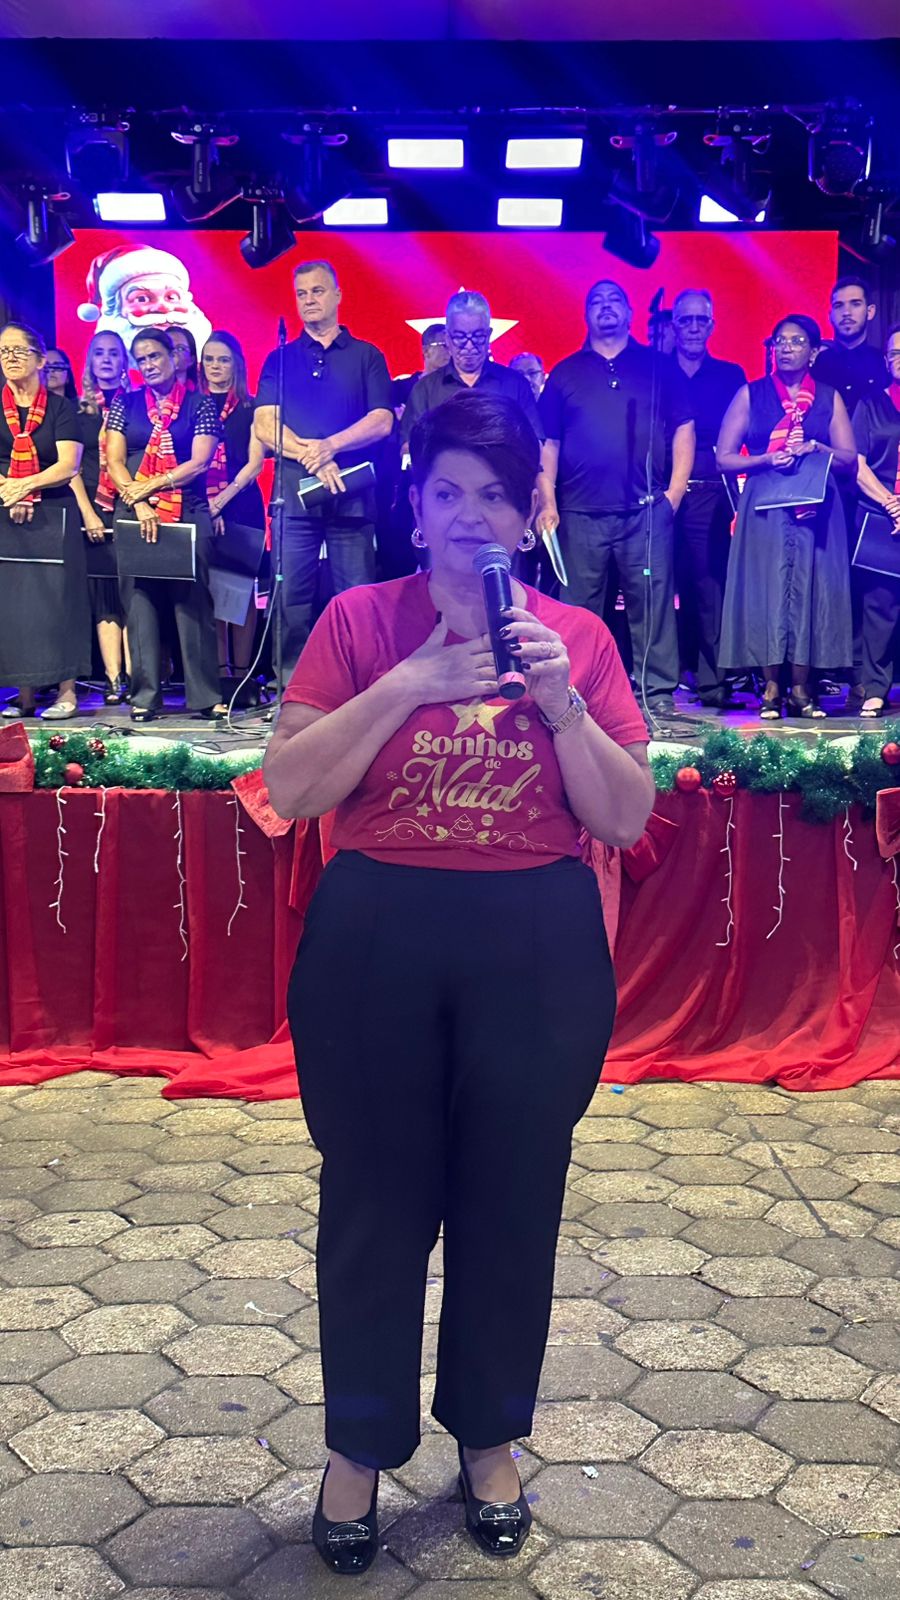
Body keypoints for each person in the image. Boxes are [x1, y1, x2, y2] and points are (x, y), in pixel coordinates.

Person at [263, 390, 654, 1577]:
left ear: (529, 512)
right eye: (445, 492)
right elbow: (293, 787)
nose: (468, 515)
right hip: (377, 935)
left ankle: (489, 1438)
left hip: (533, 944)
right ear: (416, 507)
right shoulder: (358, 621)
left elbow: (624, 816)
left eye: (493, 494)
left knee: (512, 1199)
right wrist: (411, 683)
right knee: (372, 1201)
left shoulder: (575, 640)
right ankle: (357, 1448)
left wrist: (561, 701)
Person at [538, 278, 695, 726]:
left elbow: (683, 428)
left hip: (645, 510)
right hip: (579, 511)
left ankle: (657, 693)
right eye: (596, 301)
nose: (606, 307)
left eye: (615, 300)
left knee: (653, 603)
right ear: (586, 313)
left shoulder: (657, 367)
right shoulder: (566, 372)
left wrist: (673, 494)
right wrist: (547, 502)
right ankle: (575, 688)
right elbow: (548, 443)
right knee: (578, 610)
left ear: (629, 312)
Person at [254, 259, 394, 677]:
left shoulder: (367, 356)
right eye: (301, 294)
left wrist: (330, 446)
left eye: (317, 291)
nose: (309, 300)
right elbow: (264, 425)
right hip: (293, 498)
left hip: (351, 496)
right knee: (290, 598)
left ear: (337, 295)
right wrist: (310, 456)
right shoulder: (280, 358)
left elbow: (382, 420)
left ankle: (361, 682)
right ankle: (293, 686)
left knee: (356, 597)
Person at [717, 314, 856, 718]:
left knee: (811, 591)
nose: (787, 348)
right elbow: (724, 458)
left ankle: (801, 689)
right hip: (764, 507)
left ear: (813, 352)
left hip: (815, 509)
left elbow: (849, 458)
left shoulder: (828, 397)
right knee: (767, 592)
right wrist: (764, 459)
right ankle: (771, 689)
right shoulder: (751, 394)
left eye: (796, 341)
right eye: (780, 341)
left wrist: (817, 448)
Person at [105, 328, 227, 723]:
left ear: (174, 358)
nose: (148, 365)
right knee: (139, 603)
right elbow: (114, 460)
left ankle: (205, 697)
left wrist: (153, 485)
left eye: (155, 356)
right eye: (141, 360)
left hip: (186, 508)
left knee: (192, 602)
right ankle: (144, 697)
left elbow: (199, 462)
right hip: (134, 509)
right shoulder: (125, 403)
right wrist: (139, 500)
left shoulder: (199, 404)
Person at [0, 321, 90, 721]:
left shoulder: (60, 408)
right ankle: (24, 694)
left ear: (39, 360)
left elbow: (68, 465)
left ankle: (67, 692)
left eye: (19, 351)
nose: (10, 358)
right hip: (6, 511)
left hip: (55, 512)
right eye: (4, 351)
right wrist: (10, 490)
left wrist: (25, 486)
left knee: (58, 602)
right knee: (16, 604)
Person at [669, 289, 747, 708]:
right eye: (687, 320)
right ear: (674, 325)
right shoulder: (656, 371)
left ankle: (713, 682)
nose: (694, 328)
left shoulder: (730, 375)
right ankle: (664, 677)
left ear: (712, 325)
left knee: (707, 588)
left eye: (702, 320)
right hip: (661, 491)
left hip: (709, 494)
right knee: (658, 586)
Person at [200, 331, 267, 681]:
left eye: (223, 360)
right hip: (200, 505)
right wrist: (208, 506)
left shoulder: (251, 407)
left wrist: (221, 501)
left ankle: (242, 676)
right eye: (209, 359)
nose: (215, 366)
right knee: (210, 595)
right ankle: (219, 676)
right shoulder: (191, 404)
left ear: (237, 364)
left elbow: (255, 464)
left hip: (241, 505)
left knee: (240, 592)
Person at [401, 291, 545, 451]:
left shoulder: (515, 384)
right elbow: (408, 447)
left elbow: (535, 444)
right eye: (460, 337)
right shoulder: (425, 389)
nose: (469, 346)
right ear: (447, 338)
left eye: (477, 337)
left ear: (489, 335)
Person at [72, 330, 131, 704]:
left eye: (113, 353)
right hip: (95, 509)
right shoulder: (78, 413)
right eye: (99, 353)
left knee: (135, 595)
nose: (106, 359)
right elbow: (71, 468)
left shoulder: (139, 405)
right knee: (106, 594)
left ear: (124, 362)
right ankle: (113, 679)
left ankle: (139, 676)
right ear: (90, 362)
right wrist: (88, 512)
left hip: (132, 505)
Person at [850, 324, 900, 717]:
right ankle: (876, 687)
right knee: (880, 606)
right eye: (895, 353)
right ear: (886, 361)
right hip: (881, 514)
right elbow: (857, 463)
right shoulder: (870, 404)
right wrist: (890, 502)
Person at [813, 276, 884, 416]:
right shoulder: (817, 363)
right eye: (839, 305)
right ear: (830, 315)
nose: (846, 313)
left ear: (870, 312)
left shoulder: (882, 362)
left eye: (855, 304)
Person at [391, 323, 449, 417]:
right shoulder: (399, 389)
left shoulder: (461, 389)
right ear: (426, 351)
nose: (450, 351)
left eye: (454, 346)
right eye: (444, 345)